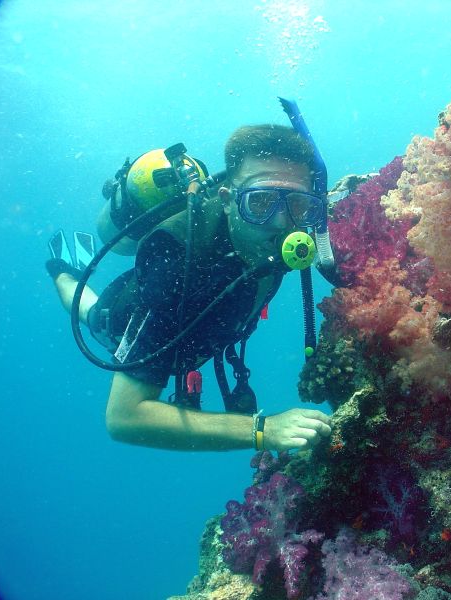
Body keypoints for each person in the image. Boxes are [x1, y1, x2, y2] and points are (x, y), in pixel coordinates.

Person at [47, 115, 334, 453]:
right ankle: (62, 269)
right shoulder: (176, 266)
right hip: (125, 315)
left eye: (298, 203)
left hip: (211, 324)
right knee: (90, 312)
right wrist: (263, 430)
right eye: (259, 202)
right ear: (227, 200)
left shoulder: (299, 228)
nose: (281, 223)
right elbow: (123, 417)